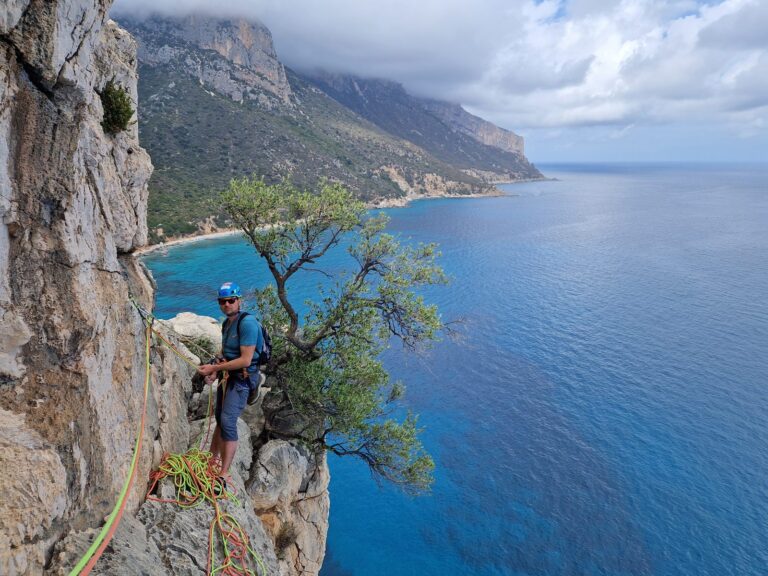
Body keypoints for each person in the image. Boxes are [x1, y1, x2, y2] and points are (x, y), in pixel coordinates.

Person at [197, 281, 264, 485]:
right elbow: (226, 355)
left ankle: (223, 473)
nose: (227, 304)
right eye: (223, 302)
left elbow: (245, 360)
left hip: (243, 379)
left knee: (227, 420)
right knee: (219, 418)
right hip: (229, 376)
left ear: (238, 301)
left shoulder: (248, 324)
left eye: (231, 300)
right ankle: (211, 462)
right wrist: (214, 370)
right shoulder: (227, 323)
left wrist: (215, 370)